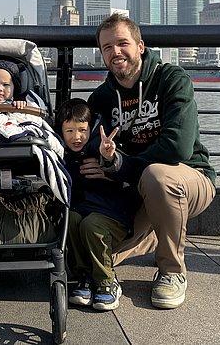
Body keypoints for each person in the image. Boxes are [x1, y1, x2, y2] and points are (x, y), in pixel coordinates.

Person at [86, 13, 216, 309]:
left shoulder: (172, 80)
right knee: (90, 258)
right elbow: (90, 146)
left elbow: (178, 147)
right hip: (135, 187)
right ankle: (153, 234)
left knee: (158, 176)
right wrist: (98, 165)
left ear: (140, 46)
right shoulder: (102, 98)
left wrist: (121, 168)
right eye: (107, 47)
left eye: (122, 43)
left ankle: (172, 271)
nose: (115, 52)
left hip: (188, 177)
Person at [56, 98, 140, 311]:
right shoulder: (60, 153)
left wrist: (109, 158)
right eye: (69, 131)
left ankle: (106, 280)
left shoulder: (101, 146)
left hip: (112, 213)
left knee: (91, 225)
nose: (76, 137)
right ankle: (84, 275)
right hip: (81, 210)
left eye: (82, 130)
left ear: (91, 128)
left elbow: (123, 167)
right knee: (71, 219)